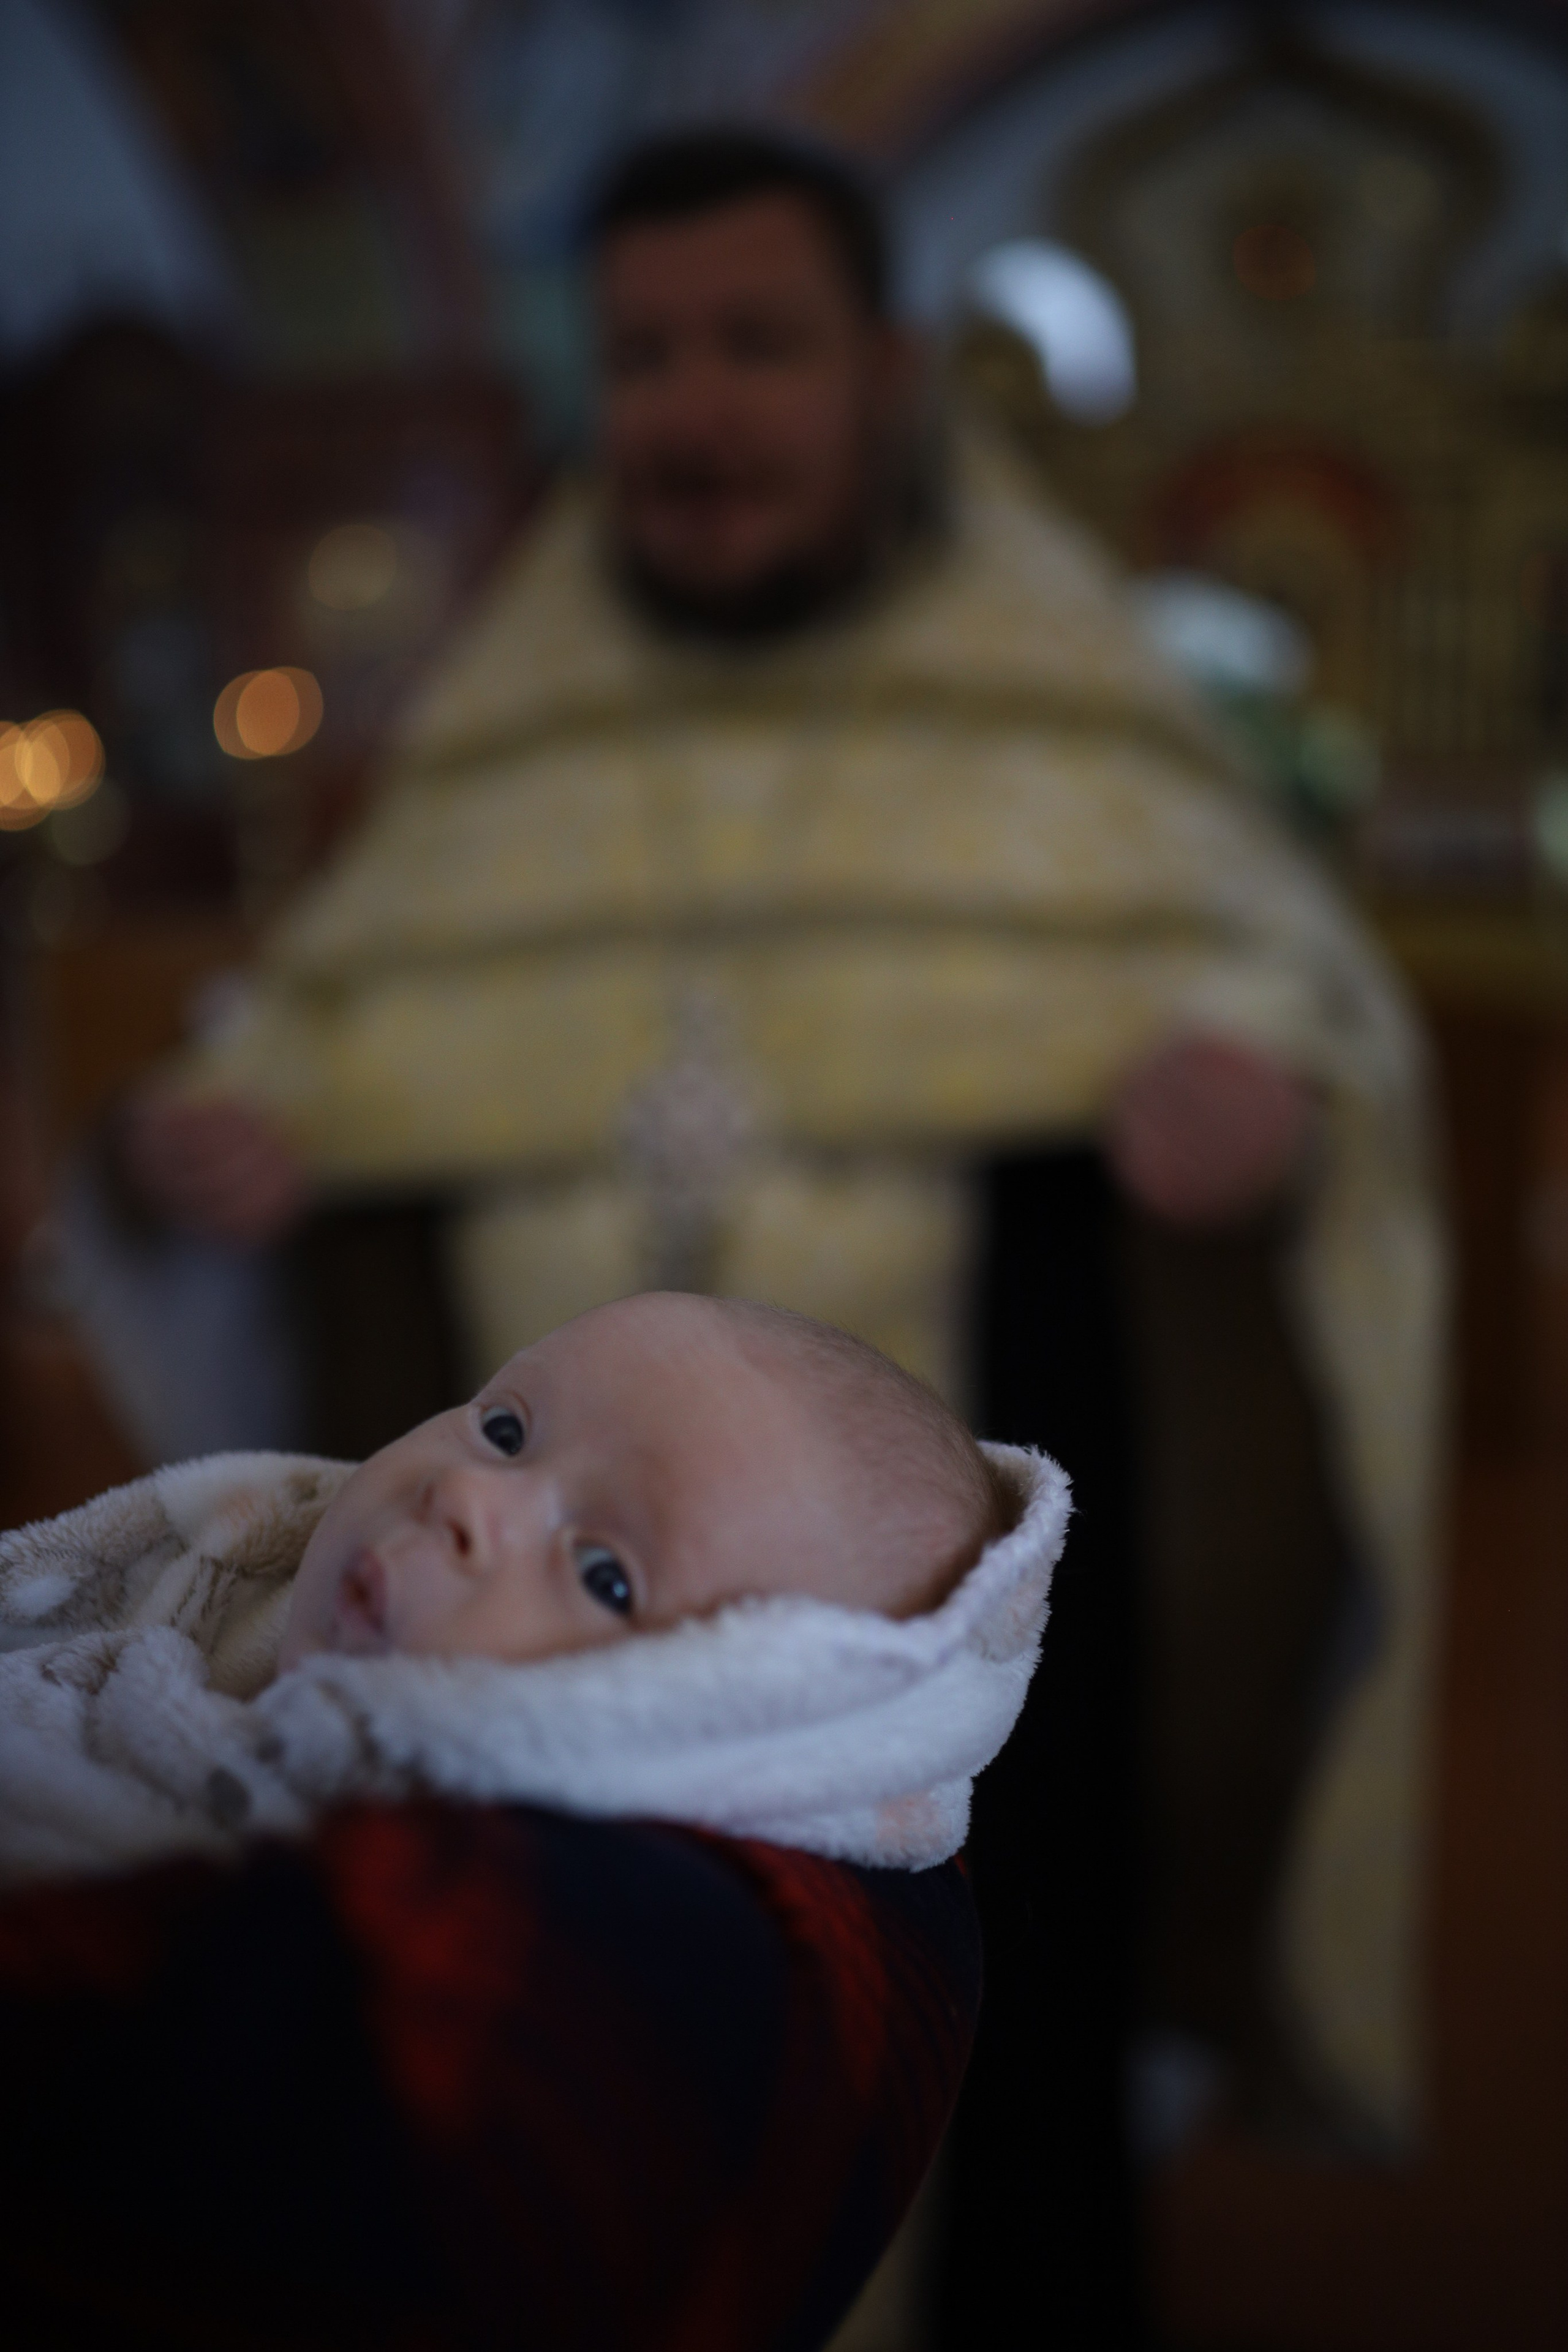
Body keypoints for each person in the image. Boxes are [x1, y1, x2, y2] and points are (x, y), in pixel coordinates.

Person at [96, 129, 1443, 2344]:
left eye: (758, 345)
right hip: (475, 1686)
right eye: (642, 357)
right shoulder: (505, 723)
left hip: (961, 1651)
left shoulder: (1066, 699)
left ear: (890, 371)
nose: (694, 409)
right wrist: (212, 1164)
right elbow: (310, 1042)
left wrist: (1263, 1115)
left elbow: (1295, 1013)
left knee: (993, 2156)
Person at [0, 1292, 1063, 1887]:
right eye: (506, 1430)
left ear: (718, 1716)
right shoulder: (212, 1598)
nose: (466, 1497)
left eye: (605, 1575)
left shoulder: (508, 1911)